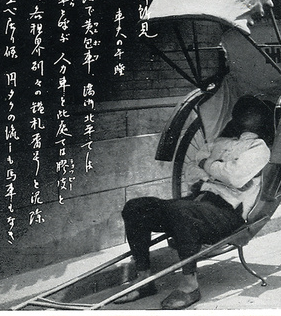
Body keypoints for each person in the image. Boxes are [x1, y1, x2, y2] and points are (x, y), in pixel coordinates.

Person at [115, 95, 272, 309]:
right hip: (197, 204)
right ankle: (144, 279)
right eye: (240, 111)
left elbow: (235, 176)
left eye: (250, 112)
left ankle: (190, 285)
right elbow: (191, 171)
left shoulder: (259, 148)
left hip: (227, 213)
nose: (243, 115)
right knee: (136, 207)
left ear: (261, 119)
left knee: (182, 210)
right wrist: (216, 170)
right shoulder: (219, 142)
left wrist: (208, 167)